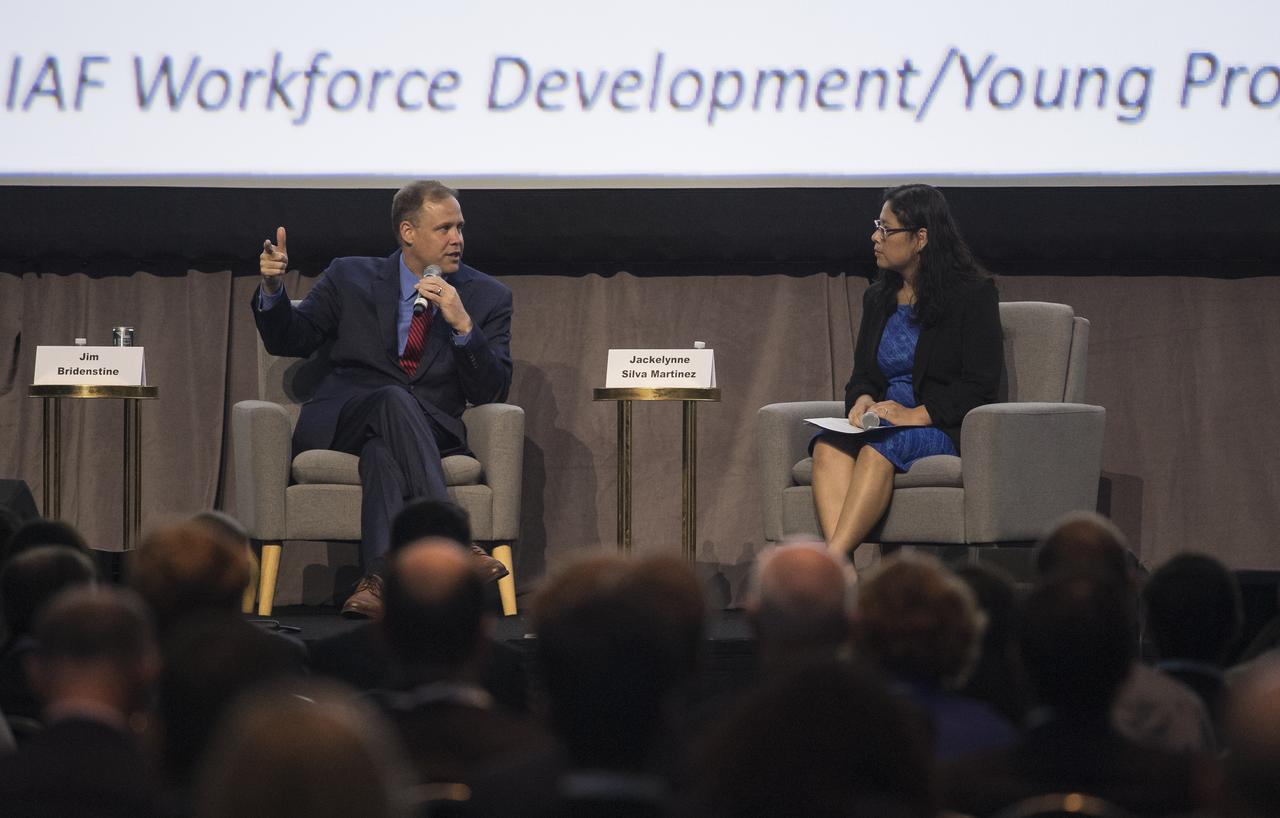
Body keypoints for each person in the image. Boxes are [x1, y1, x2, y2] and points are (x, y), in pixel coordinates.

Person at [254, 180, 513, 618]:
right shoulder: (349, 276)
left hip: (428, 429)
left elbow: (492, 390)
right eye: (444, 228)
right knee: (391, 397)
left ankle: (376, 582)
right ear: (408, 232)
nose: (458, 239)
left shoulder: (486, 296)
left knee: (381, 456)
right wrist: (273, 291)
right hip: (345, 419)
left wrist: (464, 325)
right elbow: (292, 339)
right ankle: (451, 537)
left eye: (460, 227)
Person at [810, 184, 1002, 562]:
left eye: (886, 229)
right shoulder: (878, 298)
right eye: (876, 226)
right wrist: (863, 399)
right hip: (882, 420)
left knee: (881, 449)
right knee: (827, 445)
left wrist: (917, 414)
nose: (875, 238)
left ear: (921, 238)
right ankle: (845, 572)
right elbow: (863, 375)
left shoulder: (972, 295)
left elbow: (980, 384)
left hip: (938, 426)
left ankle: (829, 565)